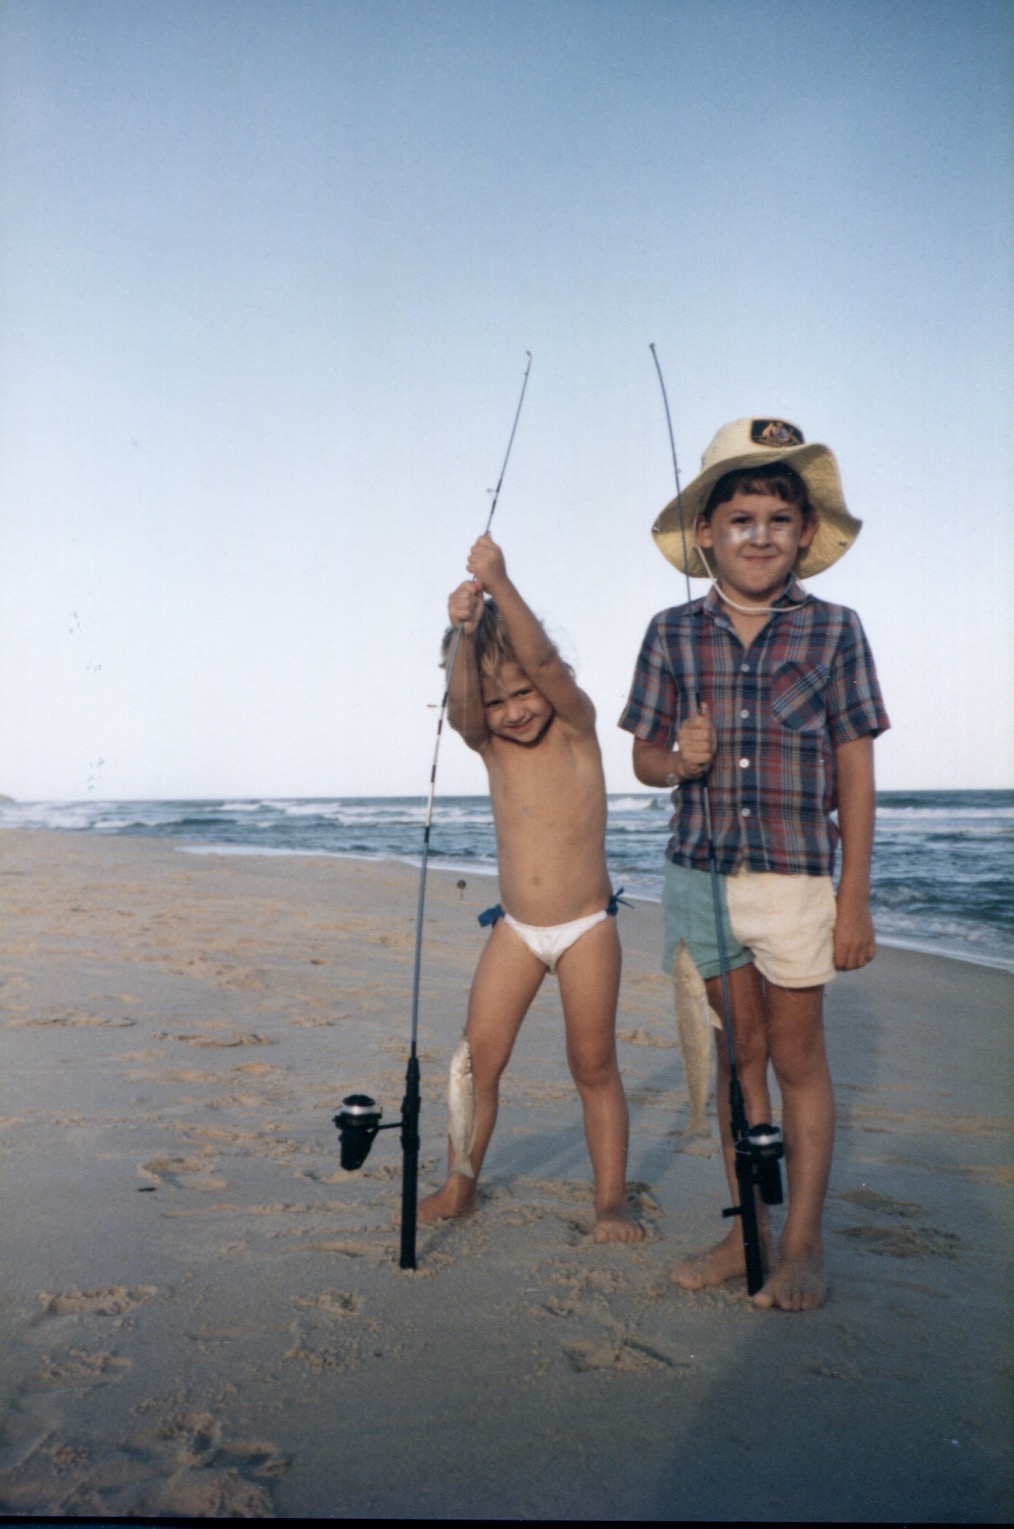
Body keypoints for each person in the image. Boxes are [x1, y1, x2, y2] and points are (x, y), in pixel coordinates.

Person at [619, 416, 889, 1309]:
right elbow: (644, 761)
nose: (760, 534)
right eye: (740, 519)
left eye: (778, 518)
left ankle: (803, 1241)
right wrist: (677, 759)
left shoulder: (837, 630)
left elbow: (855, 766)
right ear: (706, 532)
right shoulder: (670, 631)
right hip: (699, 879)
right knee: (742, 1059)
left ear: (805, 532)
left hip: (798, 878)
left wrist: (855, 900)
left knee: (798, 1056)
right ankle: (748, 1233)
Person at [418, 533, 643, 1243]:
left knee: (593, 1063)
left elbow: (540, 660)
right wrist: (461, 635)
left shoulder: (576, 726)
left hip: (585, 928)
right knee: (475, 1059)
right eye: (499, 699)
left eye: (523, 692)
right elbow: (459, 711)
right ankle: (461, 1184)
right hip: (515, 927)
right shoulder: (486, 741)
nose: (515, 709)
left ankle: (610, 1200)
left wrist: (500, 585)